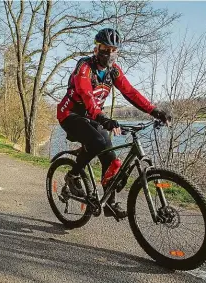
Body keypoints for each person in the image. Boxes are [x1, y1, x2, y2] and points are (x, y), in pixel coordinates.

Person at [56, 28, 171, 219]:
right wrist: (104, 119)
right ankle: (73, 175)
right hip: (70, 115)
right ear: (96, 49)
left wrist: (154, 110)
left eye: (113, 50)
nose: (109, 54)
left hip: (93, 118)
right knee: (98, 142)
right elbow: (86, 95)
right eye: (104, 49)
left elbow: (130, 92)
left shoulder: (113, 71)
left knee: (110, 158)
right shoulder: (84, 67)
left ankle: (110, 203)